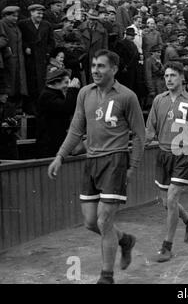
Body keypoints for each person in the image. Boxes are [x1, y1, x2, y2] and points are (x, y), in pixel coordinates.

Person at [47, 50, 146, 284]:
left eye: (101, 66)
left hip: (115, 160)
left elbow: (140, 136)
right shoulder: (84, 93)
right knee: (91, 222)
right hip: (91, 161)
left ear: (114, 69)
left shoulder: (127, 96)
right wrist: (60, 156)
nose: (95, 70)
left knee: (104, 221)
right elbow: (75, 128)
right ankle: (124, 240)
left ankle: (106, 276)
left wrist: (133, 167)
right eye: (93, 65)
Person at [145, 61, 188, 263]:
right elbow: (150, 128)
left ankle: (167, 247)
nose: (169, 79)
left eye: (172, 76)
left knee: (171, 200)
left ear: (182, 78)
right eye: (166, 76)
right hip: (163, 155)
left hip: (183, 155)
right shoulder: (158, 100)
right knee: (165, 202)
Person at [19, 4, 55, 114]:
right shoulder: (23, 24)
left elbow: (51, 41)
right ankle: (30, 108)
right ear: (31, 13)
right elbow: (20, 39)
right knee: (30, 83)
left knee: (42, 83)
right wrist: (26, 47)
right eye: (38, 13)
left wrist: (48, 53)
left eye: (42, 13)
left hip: (42, 59)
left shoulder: (46, 25)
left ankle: (42, 108)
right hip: (29, 59)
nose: (41, 15)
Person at [36, 69, 80, 158]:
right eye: (66, 82)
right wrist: (72, 90)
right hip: (49, 146)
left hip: (56, 142)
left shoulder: (54, 94)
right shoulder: (47, 96)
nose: (67, 85)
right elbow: (67, 108)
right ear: (56, 82)